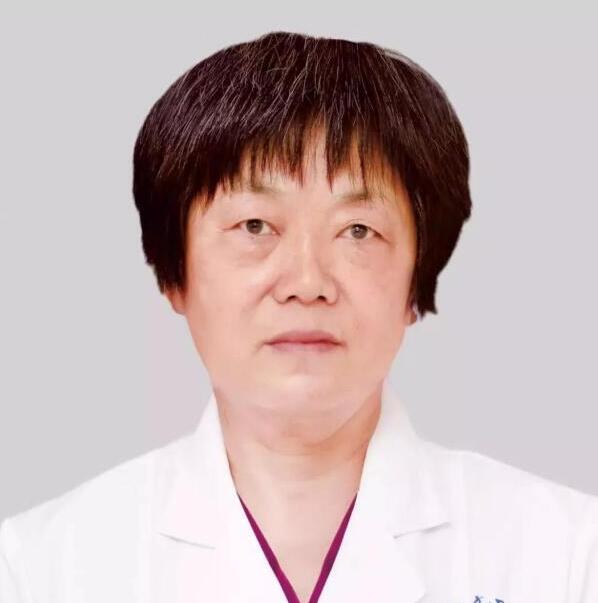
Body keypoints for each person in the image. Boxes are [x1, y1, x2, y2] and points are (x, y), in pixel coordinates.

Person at [1, 30, 596, 603]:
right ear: (175, 274)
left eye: (357, 230)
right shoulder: (40, 567)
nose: (308, 284)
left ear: (416, 280)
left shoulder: (569, 555)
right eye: (255, 225)